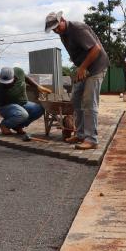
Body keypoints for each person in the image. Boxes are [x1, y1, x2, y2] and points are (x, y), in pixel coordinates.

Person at [45, 11, 109, 150]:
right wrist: (80, 68)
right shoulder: (63, 34)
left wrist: (83, 68)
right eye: (53, 29)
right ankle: (80, 135)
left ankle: (92, 140)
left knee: (88, 101)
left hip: (97, 66)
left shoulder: (77, 29)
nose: (56, 30)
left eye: (57, 26)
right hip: (83, 67)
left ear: (62, 19)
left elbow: (96, 49)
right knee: (76, 98)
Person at [0, 67, 52, 141]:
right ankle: (4, 125)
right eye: (4, 83)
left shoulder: (19, 71)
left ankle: (17, 126)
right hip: (6, 107)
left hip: (22, 103)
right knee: (22, 114)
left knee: (39, 109)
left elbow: (26, 78)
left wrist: (37, 86)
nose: (6, 85)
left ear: (14, 78)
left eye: (8, 83)